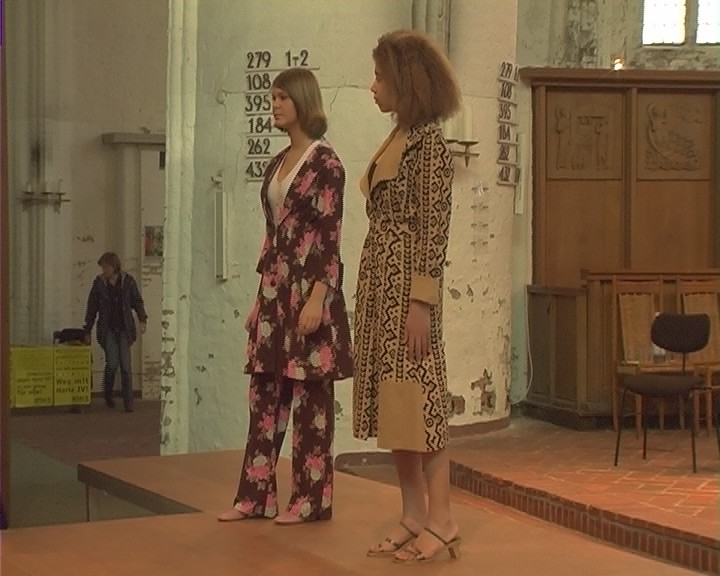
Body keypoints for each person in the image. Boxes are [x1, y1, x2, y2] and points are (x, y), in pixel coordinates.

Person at [217, 67, 353, 525]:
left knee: (310, 400)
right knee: (264, 394)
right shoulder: (278, 162)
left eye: (282, 97)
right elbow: (272, 237)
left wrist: (318, 298)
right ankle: (255, 495)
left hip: (309, 291)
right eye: (272, 97)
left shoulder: (327, 164)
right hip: (275, 292)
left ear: (302, 101)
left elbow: (330, 237)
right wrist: (260, 300)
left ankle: (311, 499)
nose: (273, 104)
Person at [352, 30, 461, 563]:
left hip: (406, 295)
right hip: (382, 290)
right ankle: (413, 513)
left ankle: (443, 519)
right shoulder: (399, 136)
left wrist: (421, 303)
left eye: (380, 77)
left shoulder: (430, 146)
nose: (373, 86)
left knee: (421, 402)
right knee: (396, 405)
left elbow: (434, 230)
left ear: (404, 81)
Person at [83, 252, 147, 412]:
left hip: (125, 328)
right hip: (108, 329)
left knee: (125, 365)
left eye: (106, 267)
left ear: (114, 267)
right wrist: (87, 329)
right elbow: (92, 307)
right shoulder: (99, 284)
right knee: (112, 363)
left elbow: (137, 301)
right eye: (103, 267)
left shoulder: (128, 282)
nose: (104, 270)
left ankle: (128, 402)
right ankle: (108, 393)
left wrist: (142, 319)